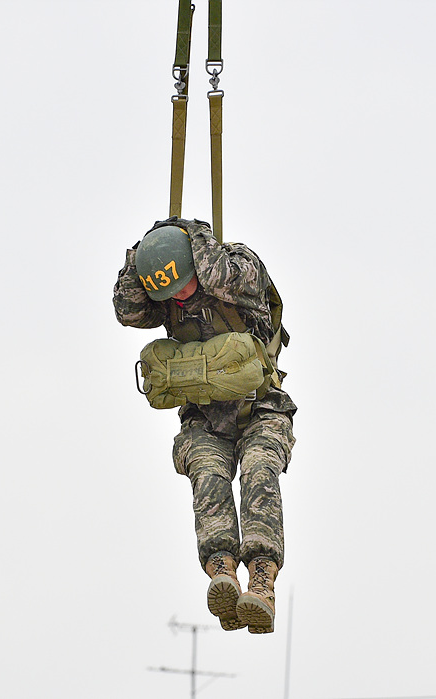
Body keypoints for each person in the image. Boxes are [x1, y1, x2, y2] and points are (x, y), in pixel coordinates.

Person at [113, 217, 296, 634]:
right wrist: (143, 252)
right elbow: (127, 309)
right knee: (207, 474)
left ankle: (262, 582)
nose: (178, 297)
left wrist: (192, 236)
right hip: (205, 417)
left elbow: (219, 273)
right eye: (168, 291)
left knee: (258, 471)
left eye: (183, 284)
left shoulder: (238, 270)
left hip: (261, 408)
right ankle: (222, 572)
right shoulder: (169, 299)